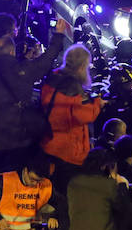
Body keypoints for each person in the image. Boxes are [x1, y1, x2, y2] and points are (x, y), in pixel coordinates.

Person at [0, 20, 66, 185]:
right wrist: (58, 35)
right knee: (12, 180)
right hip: (16, 139)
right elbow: (47, 60)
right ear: (12, 51)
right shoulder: (23, 71)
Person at [40, 43, 104, 190]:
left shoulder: (52, 78)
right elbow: (85, 115)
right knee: (67, 192)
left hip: (49, 144)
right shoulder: (73, 88)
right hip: (68, 151)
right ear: (81, 67)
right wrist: (97, 103)